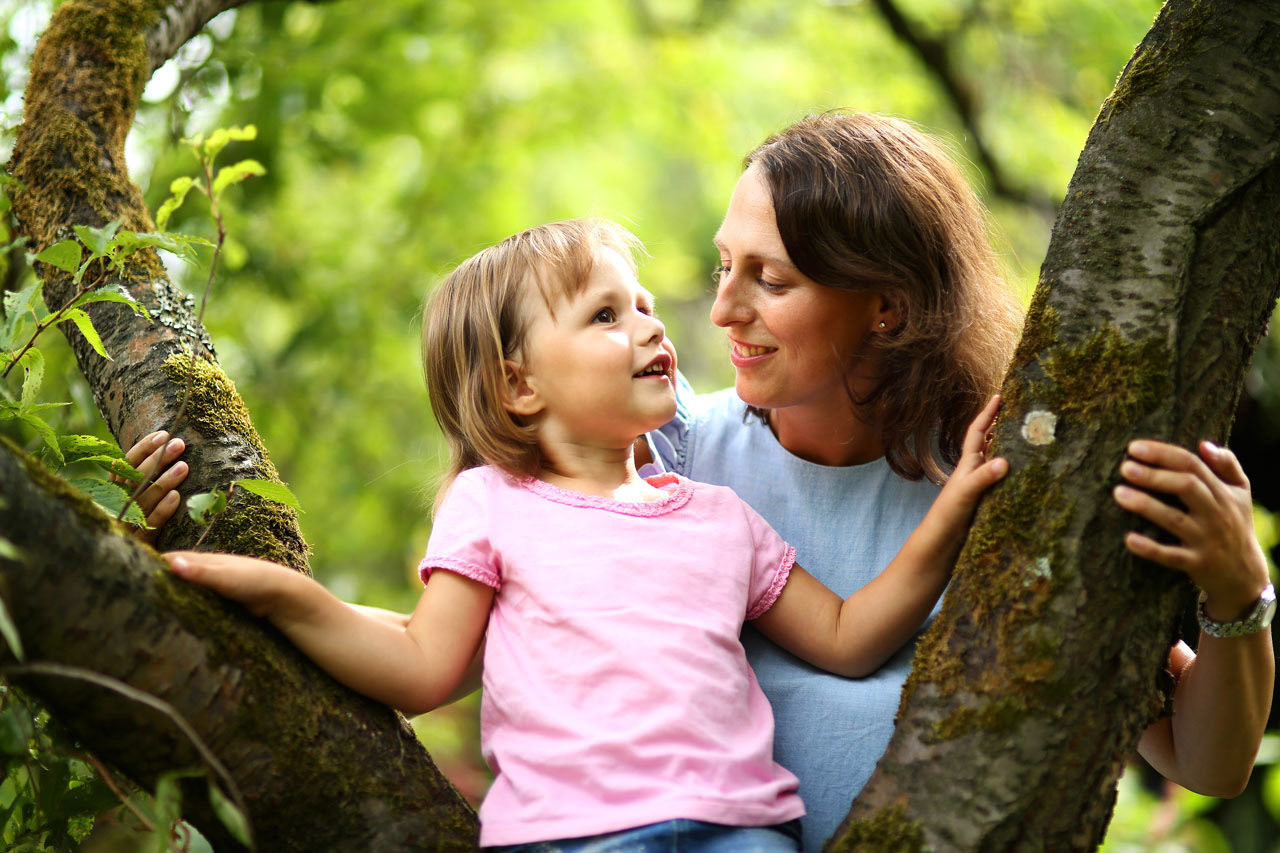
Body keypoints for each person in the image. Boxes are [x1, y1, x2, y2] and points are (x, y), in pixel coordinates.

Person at [125, 111, 1273, 850]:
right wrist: (211, 543)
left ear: (883, 304)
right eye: (723, 266)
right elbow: (450, 639)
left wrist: (1236, 596)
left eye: (769, 279)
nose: (718, 310)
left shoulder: (990, 492)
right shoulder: (668, 458)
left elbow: (1205, 759)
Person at [156, 219, 1008, 851]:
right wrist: (286, 597)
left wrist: (955, 506)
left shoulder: (720, 515)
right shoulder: (492, 504)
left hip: (742, 832)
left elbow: (849, 637)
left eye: (642, 305)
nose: (651, 325)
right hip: (571, 838)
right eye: (605, 315)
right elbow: (423, 663)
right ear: (519, 385)